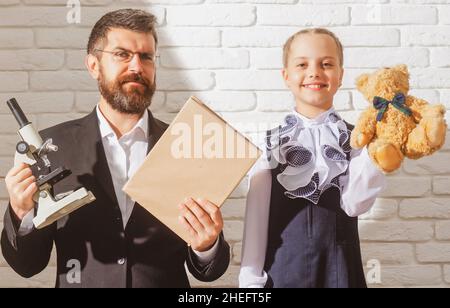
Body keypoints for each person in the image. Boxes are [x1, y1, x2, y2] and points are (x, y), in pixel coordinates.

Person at [1, 9, 230, 288]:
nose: (136, 66)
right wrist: (20, 211)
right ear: (94, 65)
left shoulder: (188, 145)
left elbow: (209, 271)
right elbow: (26, 265)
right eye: (122, 54)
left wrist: (206, 245)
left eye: (146, 56)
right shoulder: (52, 148)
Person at [239, 28, 385, 288]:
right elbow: (256, 225)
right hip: (281, 276)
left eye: (326, 64)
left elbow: (354, 205)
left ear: (340, 76)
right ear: (286, 76)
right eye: (302, 64)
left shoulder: (359, 140)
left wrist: (379, 153)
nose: (314, 72)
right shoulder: (267, 146)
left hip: (341, 274)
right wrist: (250, 285)